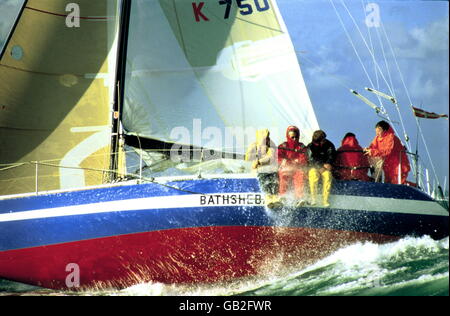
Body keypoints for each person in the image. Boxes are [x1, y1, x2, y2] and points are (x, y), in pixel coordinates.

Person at [363, 120, 411, 185]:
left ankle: (414, 187)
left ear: (385, 130)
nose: (377, 133)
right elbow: (372, 147)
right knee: (389, 183)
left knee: (397, 183)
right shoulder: (377, 138)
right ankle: (375, 181)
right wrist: (367, 150)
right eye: (376, 131)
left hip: (398, 165)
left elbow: (388, 151)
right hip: (388, 165)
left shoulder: (391, 138)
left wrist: (372, 151)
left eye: (379, 131)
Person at [245, 129, 280, 207]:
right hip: (259, 170)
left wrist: (259, 162)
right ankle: (268, 199)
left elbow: (270, 158)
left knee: (274, 180)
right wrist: (253, 151)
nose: (266, 140)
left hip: (270, 169)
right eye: (264, 138)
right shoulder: (254, 145)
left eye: (267, 138)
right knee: (264, 181)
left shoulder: (271, 145)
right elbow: (247, 158)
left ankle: (275, 198)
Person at [278, 126, 309, 206]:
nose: (294, 139)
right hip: (287, 168)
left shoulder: (301, 146)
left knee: (300, 175)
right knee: (284, 174)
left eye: (296, 137)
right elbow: (278, 157)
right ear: (288, 136)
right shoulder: (283, 146)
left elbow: (304, 158)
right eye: (292, 137)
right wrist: (283, 161)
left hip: (297, 168)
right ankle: (283, 196)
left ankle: (299, 197)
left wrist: (296, 162)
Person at [307, 130, 336, 207]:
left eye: (324, 139)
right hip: (314, 167)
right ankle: (313, 199)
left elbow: (332, 155)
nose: (324, 141)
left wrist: (329, 163)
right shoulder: (310, 146)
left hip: (325, 168)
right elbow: (310, 159)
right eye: (322, 140)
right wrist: (319, 166)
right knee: (313, 175)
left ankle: (325, 200)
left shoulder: (329, 145)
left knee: (328, 176)